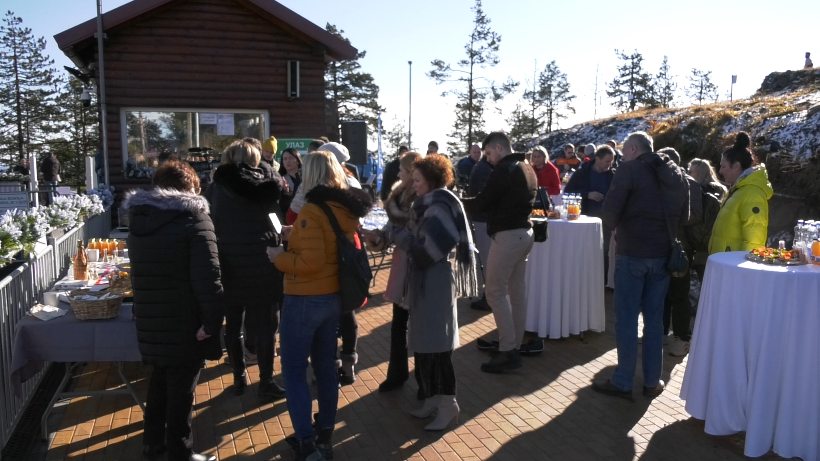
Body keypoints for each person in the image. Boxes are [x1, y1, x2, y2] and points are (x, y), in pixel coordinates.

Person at [268, 151, 372, 461]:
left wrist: (278, 258)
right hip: (332, 298)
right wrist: (296, 235)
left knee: (294, 371)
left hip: (304, 299)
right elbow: (325, 246)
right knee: (326, 367)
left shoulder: (313, 210)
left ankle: (306, 441)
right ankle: (324, 432)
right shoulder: (343, 208)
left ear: (311, 175)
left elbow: (309, 263)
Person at [124, 160, 223, 461]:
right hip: (185, 319)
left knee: (159, 382)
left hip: (151, 318)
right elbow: (209, 277)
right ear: (191, 186)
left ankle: (153, 444)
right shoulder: (194, 218)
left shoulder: (140, 219)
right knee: (181, 389)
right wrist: (212, 321)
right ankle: (181, 452)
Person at [593, 131, 688, 400]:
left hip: (632, 253)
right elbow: (686, 216)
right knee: (654, 321)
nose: (622, 156)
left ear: (634, 149)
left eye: (624, 151)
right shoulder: (675, 173)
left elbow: (610, 211)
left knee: (626, 319)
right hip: (662, 256)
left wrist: (615, 230)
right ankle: (652, 381)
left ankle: (623, 380)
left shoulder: (629, 170)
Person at [389, 154, 477, 430]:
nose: (413, 184)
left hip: (436, 282)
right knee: (426, 345)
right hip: (426, 281)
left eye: (417, 180)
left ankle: (448, 404)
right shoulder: (427, 204)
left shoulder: (440, 206)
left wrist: (397, 235)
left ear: (431, 180)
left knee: (438, 348)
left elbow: (426, 252)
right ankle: (432, 398)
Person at [205, 139, 286, 401]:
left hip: (228, 262)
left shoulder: (216, 187)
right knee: (265, 326)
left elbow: (210, 221)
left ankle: (238, 377)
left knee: (233, 324)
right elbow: (275, 220)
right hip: (262, 262)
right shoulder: (267, 184)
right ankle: (266, 381)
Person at [463, 132, 537, 374]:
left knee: (494, 291)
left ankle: (508, 350)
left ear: (499, 148)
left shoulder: (505, 169)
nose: (487, 159)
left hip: (508, 236)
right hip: (524, 233)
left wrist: (458, 201)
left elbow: (484, 202)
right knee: (516, 291)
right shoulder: (526, 166)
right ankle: (513, 343)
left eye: (488, 153)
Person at [364, 151, 423, 392]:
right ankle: (397, 374)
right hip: (402, 265)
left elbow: (416, 237)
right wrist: (377, 238)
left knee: (419, 325)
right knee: (399, 323)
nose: (397, 173)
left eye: (401, 169)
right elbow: (390, 231)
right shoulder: (398, 197)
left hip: (419, 267)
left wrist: (388, 237)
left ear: (411, 172)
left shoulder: (423, 198)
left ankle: (424, 380)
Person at [657, 147, 701, 358]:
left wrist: (673, 219)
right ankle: (661, 333)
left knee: (679, 295)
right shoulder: (659, 183)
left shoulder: (690, 184)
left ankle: (682, 338)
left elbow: (695, 217)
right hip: (661, 246)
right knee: (662, 294)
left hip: (681, 249)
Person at [708, 132, 773, 254]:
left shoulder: (752, 193)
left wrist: (742, 266)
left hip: (732, 264)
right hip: (725, 261)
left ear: (736, 166)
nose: (720, 171)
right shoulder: (738, 190)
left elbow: (754, 241)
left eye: (723, 166)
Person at [564, 145, 617, 283]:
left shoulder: (612, 175)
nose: (610, 164)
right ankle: (581, 283)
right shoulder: (582, 173)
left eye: (612, 161)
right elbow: (568, 193)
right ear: (597, 159)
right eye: (607, 161)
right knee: (582, 253)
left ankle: (601, 285)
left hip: (604, 221)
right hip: (583, 221)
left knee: (602, 253)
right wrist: (587, 195)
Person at [686, 158, 727, 280]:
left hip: (700, 246)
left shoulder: (699, 193)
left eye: (690, 171)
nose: (688, 174)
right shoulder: (722, 190)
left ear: (699, 173)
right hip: (717, 244)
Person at [278, 148, 303, 217]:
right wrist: (284, 193)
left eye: (291, 158)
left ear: (298, 160)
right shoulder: (279, 179)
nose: (288, 161)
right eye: (285, 159)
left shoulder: (307, 176)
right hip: (288, 215)